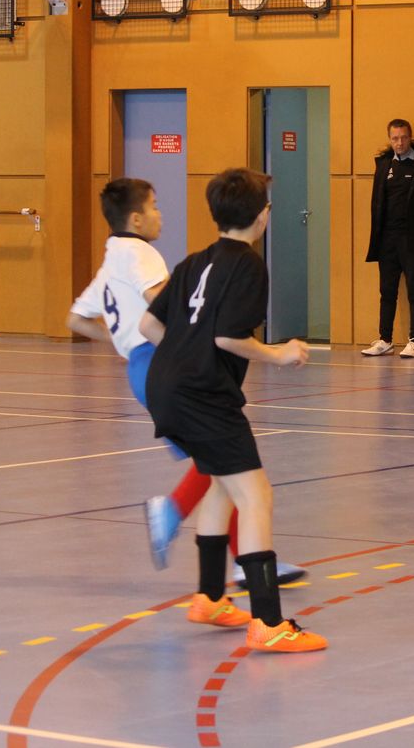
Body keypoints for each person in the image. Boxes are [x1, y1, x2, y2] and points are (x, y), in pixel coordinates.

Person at [65, 178, 305, 585]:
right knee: (227, 466)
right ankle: (177, 514)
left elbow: (75, 320)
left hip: (142, 364)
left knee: (218, 467)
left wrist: (123, 341)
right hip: (166, 362)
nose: (160, 214)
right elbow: (169, 307)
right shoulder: (141, 253)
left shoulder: (111, 260)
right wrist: (190, 343)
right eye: (155, 206)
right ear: (136, 219)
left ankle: (225, 570)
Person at [139, 168, 326, 653]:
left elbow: (148, 326)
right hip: (202, 396)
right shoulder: (248, 266)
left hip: (166, 387)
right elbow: (227, 337)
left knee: (221, 482)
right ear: (263, 215)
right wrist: (279, 353)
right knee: (256, 496)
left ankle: (209, 598)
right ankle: (269, 623)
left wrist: (185, 351)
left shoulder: (194, 261)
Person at [362, 119, 414, 358]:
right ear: (390, 139)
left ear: (410, 137)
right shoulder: (385, 164)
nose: (400, 143)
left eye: (404, 137)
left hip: (413, 238)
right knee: (387, 291)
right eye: (395, 138)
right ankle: (385, 339)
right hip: (388, 239)